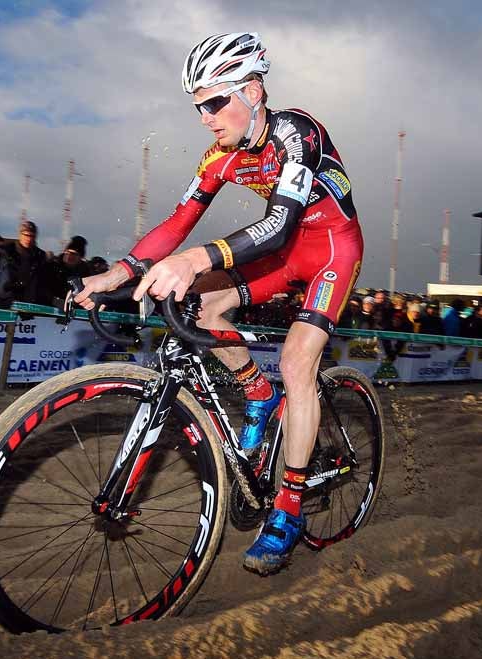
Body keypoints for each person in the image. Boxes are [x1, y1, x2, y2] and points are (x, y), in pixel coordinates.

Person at [75, 32, 364, 575]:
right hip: (283, 251)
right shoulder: (220, 157)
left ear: (252, 90)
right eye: (197, 107)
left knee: (300, 364)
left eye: (214, 102)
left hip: (329, 250)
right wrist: (120, 270)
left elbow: (278, 228)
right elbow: (178, 223)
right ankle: (257, 396)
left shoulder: (297, 133)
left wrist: (194, 261)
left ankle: (290, 506)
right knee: (205, 309)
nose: (205, 117)